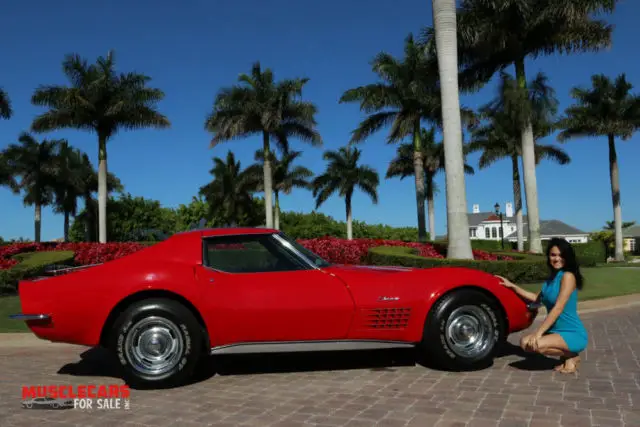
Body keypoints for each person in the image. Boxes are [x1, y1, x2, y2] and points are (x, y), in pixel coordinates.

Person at [496, 237, 588, 374]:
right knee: (524, 343)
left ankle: (572, 355)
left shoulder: (568, 276)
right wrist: (512, 286)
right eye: (553, 255)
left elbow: (558, 308)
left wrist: (538, 333)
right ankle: (568, 355)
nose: (556, 259)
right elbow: (536, 298)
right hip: (556, 332)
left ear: (567, 257)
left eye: (560, 255)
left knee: (536, 344)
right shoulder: (551, 279)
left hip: (572, 332)